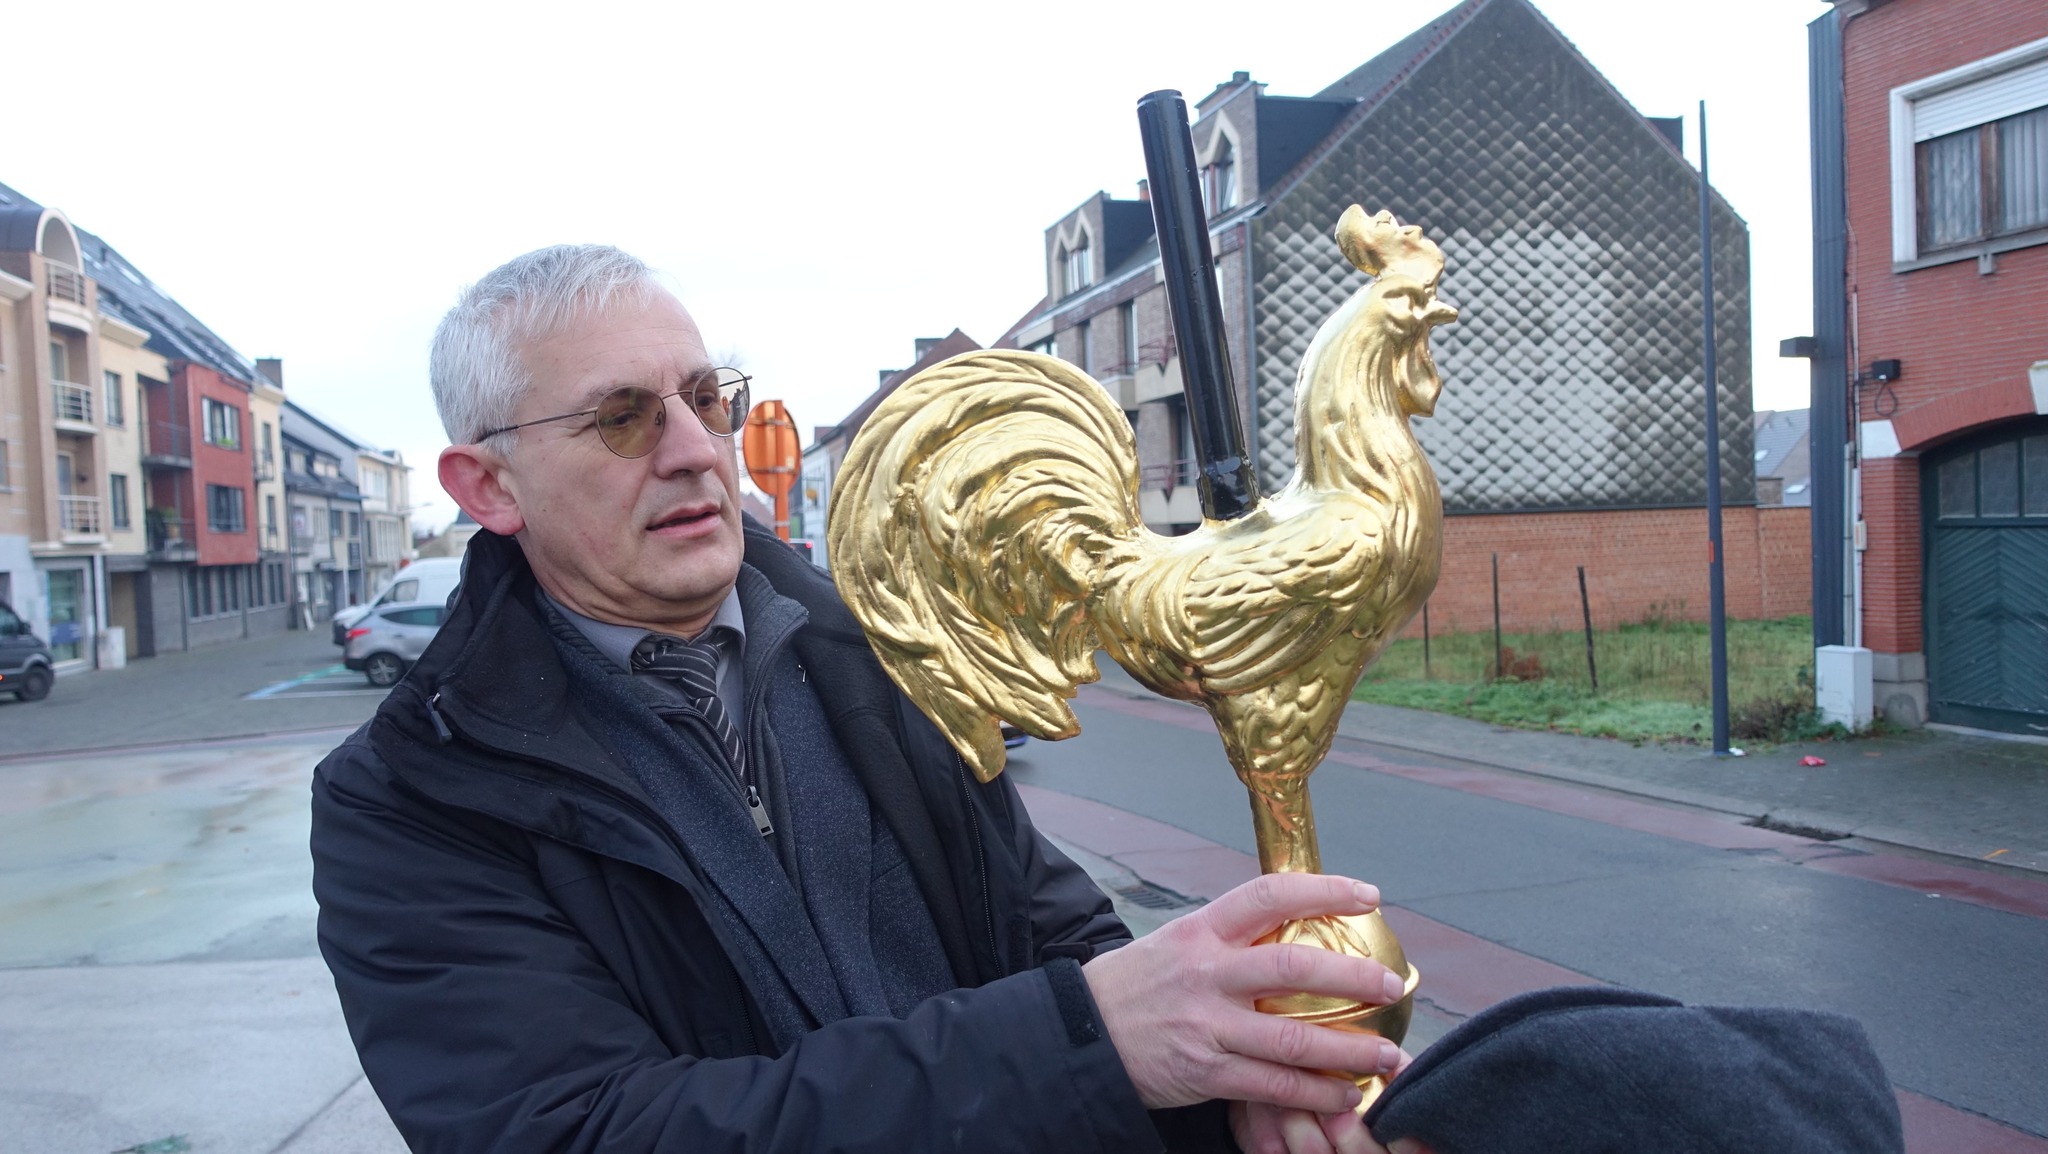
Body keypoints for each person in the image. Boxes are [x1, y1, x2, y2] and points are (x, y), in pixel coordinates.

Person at [310, 244, 1411, 1154]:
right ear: (487, 485)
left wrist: (1225, 1085)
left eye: (706, 398)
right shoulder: (412, 797)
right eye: (622, 418)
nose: (698, 452)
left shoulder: (881, 657)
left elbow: (1052, 934)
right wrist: (1088, 1040)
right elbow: (581, 1131)